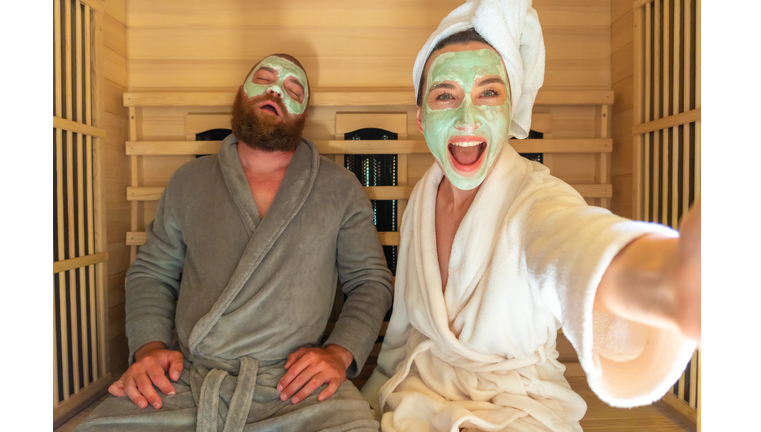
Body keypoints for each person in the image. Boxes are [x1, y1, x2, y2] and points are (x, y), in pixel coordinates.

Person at [360, 2, 700, 431]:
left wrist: (665, 280)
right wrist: (374, 390)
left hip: (519, 405)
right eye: (445, 95)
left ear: (509, 111)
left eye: (489, 93)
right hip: (423, 393)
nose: (467, 117)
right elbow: (403, 335)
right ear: (420, 117)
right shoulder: (421, 203)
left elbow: (571, 243)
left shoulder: (535, 201)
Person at [78, 54, 393, 432]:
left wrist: (339, 354)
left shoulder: (339, 189)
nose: (276, 90)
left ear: (303, 116)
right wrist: (149, 349)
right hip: (189, 378)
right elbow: (151, 274)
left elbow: (370, 282)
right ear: (241, 94)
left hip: (294, 386)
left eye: (293, 89)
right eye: (264, 78)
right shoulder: (189, 182)